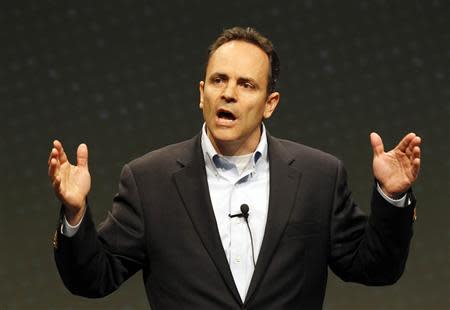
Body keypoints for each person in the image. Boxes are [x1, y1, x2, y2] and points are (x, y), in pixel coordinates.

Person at [48, 27, 422, 309]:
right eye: (218, 80)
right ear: (201, 93)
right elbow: (93, 278)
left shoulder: (318, 177)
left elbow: (375, 268)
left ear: (270, 102)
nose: (228, 93)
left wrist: (392, 197)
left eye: (246, 84)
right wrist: (76, 212)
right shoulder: (149, 180)